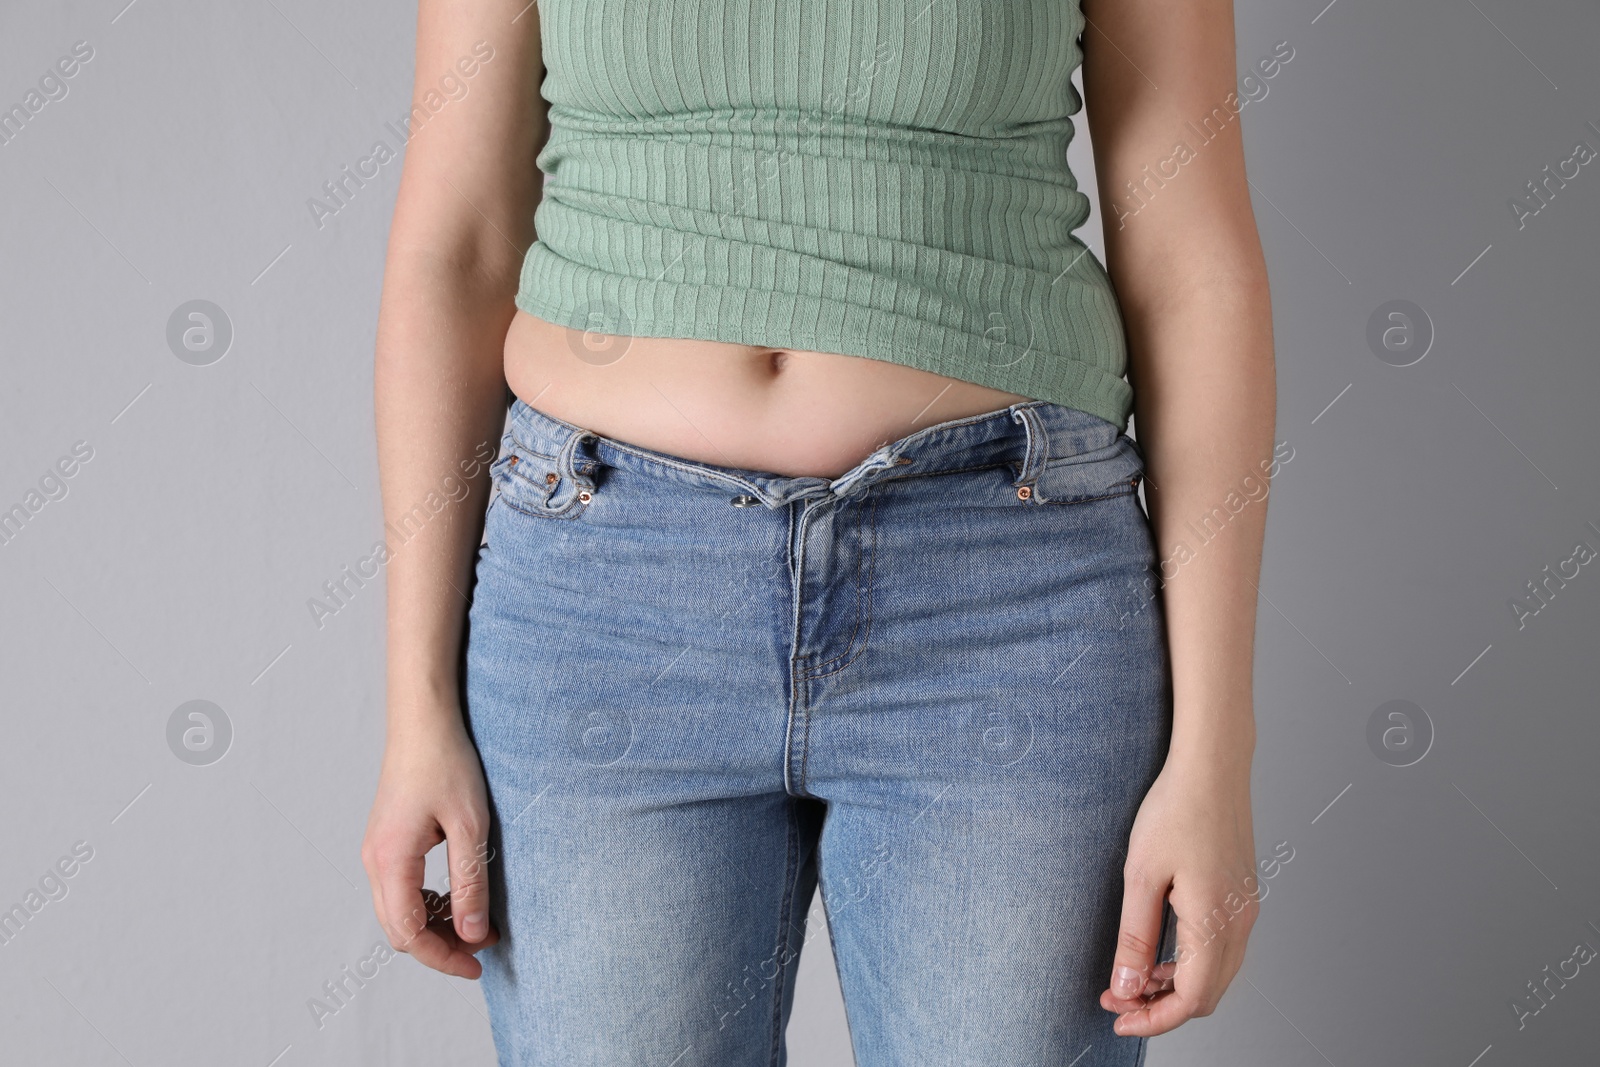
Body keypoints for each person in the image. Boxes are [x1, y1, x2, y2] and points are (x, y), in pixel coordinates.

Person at [362, 0, 1274, 1063]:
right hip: (606, 600)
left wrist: (1214, 751)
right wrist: (416, 704)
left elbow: (1192, 262)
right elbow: (455, 251)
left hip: (1004, 597)